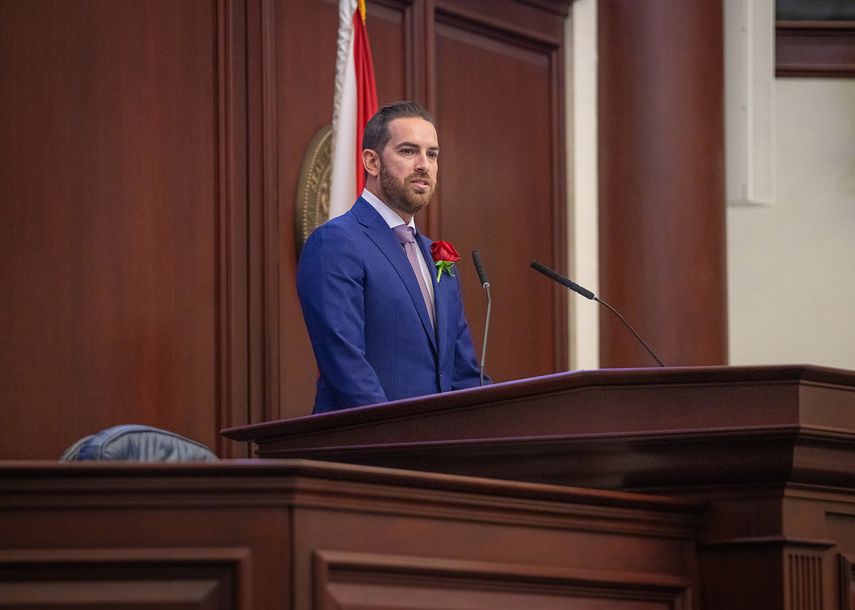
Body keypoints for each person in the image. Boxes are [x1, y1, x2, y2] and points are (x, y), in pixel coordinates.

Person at [297, 100, 487, 413]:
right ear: (372, 162)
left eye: (432, 154)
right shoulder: (336, 243)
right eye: (408, 151)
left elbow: (462, 373)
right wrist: (398, 439)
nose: (424, 164)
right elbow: (346, 366)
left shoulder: (438, 258)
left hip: (434, 452)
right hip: (368, 449)